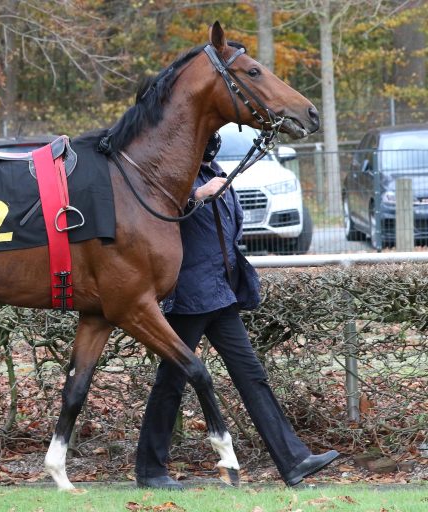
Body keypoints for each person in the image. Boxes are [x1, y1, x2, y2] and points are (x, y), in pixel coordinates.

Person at [134, 132, 339, 490]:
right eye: (207, 137)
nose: (211, 142)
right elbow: (156, 215)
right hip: (189, 298)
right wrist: (196, 197)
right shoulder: (177, 179)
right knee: (172, 381)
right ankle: (150, 470)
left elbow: (229, 230)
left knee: (251, 375)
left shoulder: (215, 172)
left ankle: (293, 461)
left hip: (220, 294)